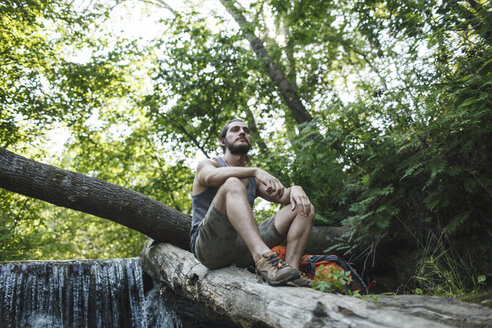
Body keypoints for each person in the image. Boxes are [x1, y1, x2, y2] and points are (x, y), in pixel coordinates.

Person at [190, 119, 314, 287]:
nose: (242, 132)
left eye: (246, 130)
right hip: (209, 248)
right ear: (222, 141)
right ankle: (264, 261)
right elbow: (209, 177)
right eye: (235, 130)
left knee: (303, 207)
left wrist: (296, 188)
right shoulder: (209, 164)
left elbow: (285, 196)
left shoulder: (253, 180)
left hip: (241, 248)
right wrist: (256, 170)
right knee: (233, 183)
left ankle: (289, 272)